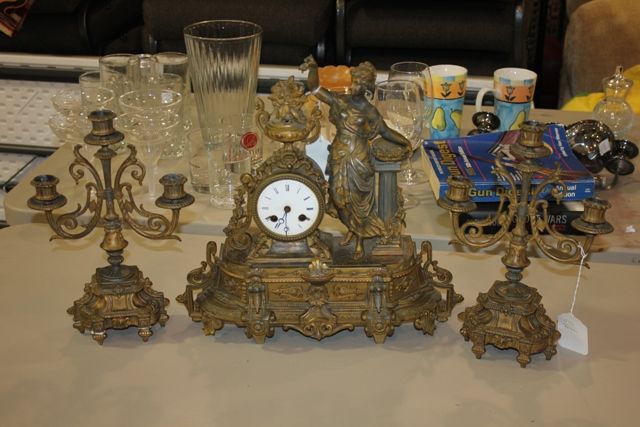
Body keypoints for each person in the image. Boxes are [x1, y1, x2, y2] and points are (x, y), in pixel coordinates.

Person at [300, 56, 411, 259]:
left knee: (358, 202)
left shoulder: (369, 111)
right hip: (339, 154)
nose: (354, 86)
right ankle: (352, 229)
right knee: (338, 197)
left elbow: (385, 131)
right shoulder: (339, 100)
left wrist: (405, 142)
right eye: (354, 81)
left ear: (367, 87)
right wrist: (314, 68)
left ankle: (360, 239)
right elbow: (314, 89)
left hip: (358, 159)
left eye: (359, 83)